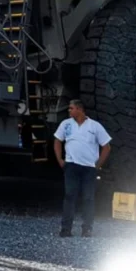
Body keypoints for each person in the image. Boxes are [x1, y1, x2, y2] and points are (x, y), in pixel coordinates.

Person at [53, 98, 112, 237]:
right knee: (69, 196)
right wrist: (60, 160)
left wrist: (98, 165)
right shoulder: (65, 124)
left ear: (79, 109)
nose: (69, 110)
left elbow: (106, 146)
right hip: (71, 165)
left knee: (88, 198)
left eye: (71, 108)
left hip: (88, 167)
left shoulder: (94, 126)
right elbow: (57, 141)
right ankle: (66, 229)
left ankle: (87, 229)